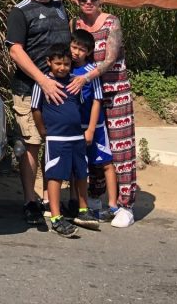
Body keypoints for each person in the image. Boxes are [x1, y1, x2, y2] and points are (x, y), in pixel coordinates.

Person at [65, 0, 137, 228]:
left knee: (120, 148)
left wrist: (86, 76)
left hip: (114, 92)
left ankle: (125, 204)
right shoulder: (74, 23)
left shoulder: (111, 22)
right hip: (84, 95)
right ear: (77, 1)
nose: (88, 3)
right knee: (91, 146)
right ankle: (94, 198)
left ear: (100, 0)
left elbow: (110, 58)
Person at [6, 0, 71, 226]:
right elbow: (15, 51)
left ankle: (48, 197)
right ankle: (29, 201)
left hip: (58, 92)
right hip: (30, 90)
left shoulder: (60, 8)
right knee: (32, 144)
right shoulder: (20, 12)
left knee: (54, 144)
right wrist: (42, 80)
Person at [31, 45, 102, 238]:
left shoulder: (75, 82)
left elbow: (79, 104)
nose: (62, 67)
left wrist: (87, 130)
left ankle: (83, 209)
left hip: (77, 137)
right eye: (58, 63)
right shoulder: (43, 83)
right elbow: (35, 108)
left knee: (80, 172)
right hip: (56, 139)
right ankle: (55, 218)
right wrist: (42, 130)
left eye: (66, 64)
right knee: (55, 175)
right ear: (49, 63)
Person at [69, 28, 120, 223]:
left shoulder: (92, 72)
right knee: (76, 166)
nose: (76, 52)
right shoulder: (66, 68)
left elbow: (98, 100)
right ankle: (75, 202)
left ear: (89, 52)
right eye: (74, 47)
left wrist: (91, 129)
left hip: (95, 128)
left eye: (81, 49)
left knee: (105, 163)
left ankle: (113, 205)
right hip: (74, 127)